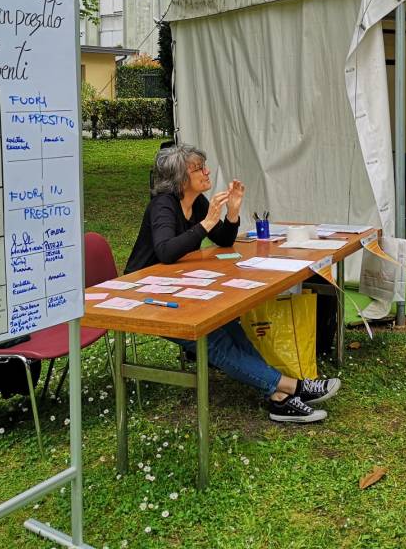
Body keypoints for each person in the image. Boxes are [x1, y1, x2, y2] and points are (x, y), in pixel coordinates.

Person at [125, 144, 340, 423]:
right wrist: (206, 223)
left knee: (227, 322)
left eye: (205, 165)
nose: (207, 171)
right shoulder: (163, 205)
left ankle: (278, 396)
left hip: (178, 284)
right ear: (181, 177)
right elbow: (165, 251)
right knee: (211, 338)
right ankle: (292, 386)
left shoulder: (197, 201)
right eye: (199, 168)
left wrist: (232, 213)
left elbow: (224, 239)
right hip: (145, 294)